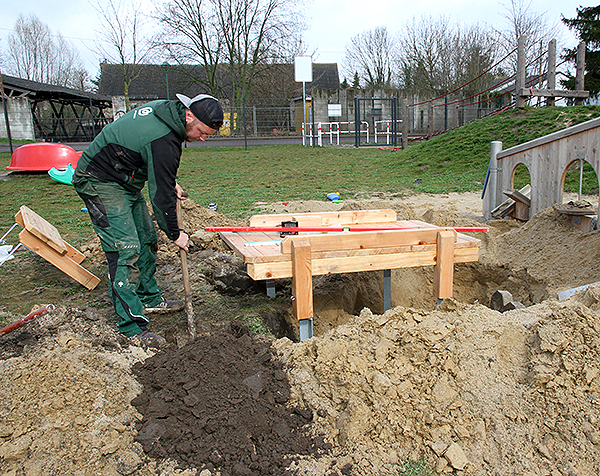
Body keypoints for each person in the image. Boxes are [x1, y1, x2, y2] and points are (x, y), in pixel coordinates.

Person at [72, 93, 223, 346]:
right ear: (189, 115)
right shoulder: (163, 138)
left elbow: (148, 157)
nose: (203, 138)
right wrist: (176, 234)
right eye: (201, 131)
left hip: (125, 180)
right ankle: (131, 328)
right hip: (100, 179)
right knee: (125, 249)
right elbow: (161, 196)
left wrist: (168, 179)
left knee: (146, 238)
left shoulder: (168, 115)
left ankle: (148, 297)